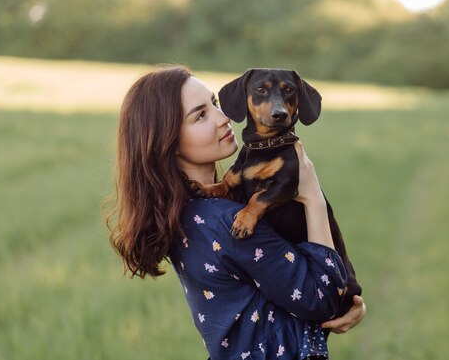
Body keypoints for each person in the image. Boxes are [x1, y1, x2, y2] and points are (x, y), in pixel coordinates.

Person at [106, 65, 366, 360]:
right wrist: (312, 196)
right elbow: (321, 299)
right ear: (168, 140)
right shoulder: (227, 221)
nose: (224, 117)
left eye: (214, 104)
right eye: (200, 115)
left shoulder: (192, 213)